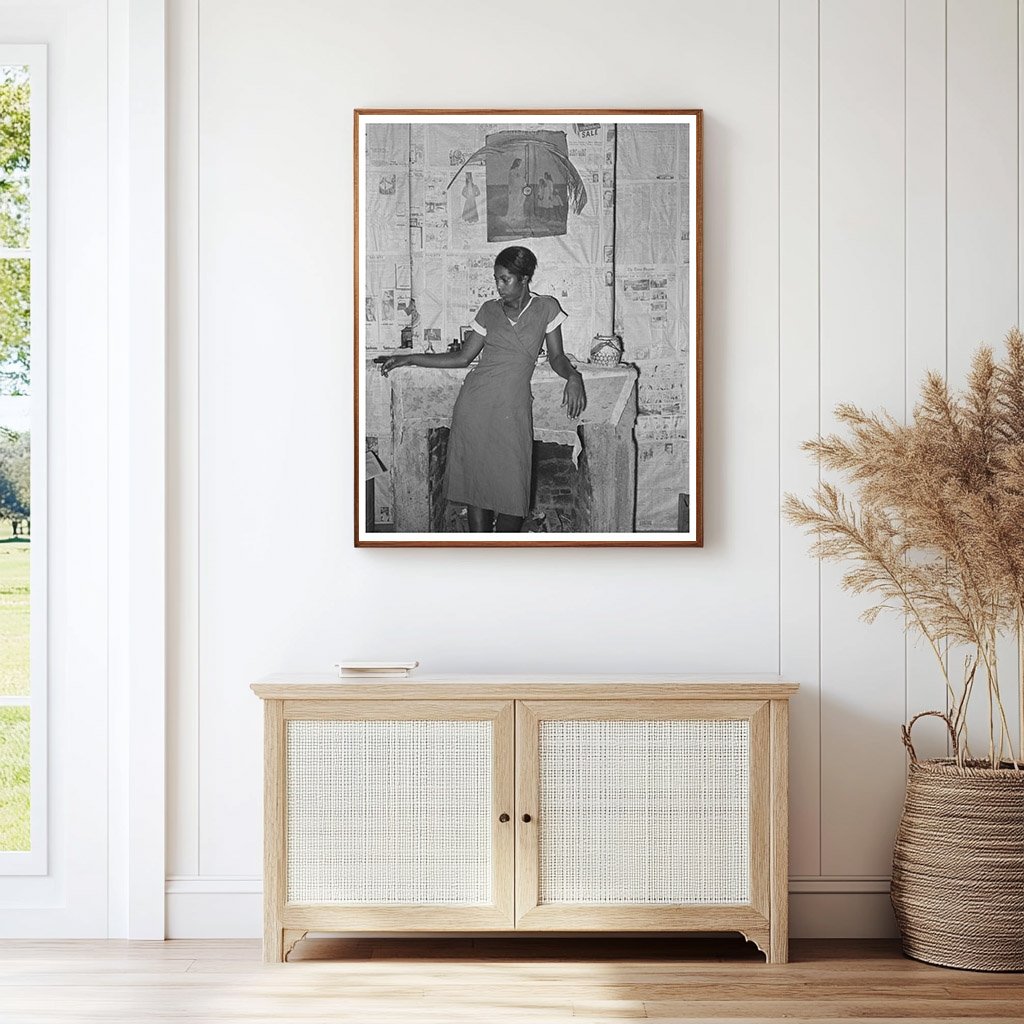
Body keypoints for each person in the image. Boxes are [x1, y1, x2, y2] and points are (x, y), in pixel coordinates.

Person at [379, 246, 586, 532]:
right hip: (475, 404)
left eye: (505, 279)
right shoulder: (489, 310)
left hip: (512, 407)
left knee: (514, 490)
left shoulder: (546, 307)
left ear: (524, 279)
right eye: (496, 279)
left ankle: (502, 553)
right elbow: (462, 358)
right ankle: (480, 551)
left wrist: (573, 377)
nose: (499, 286)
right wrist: (410, 358)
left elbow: (557, 357)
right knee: (477, 485)